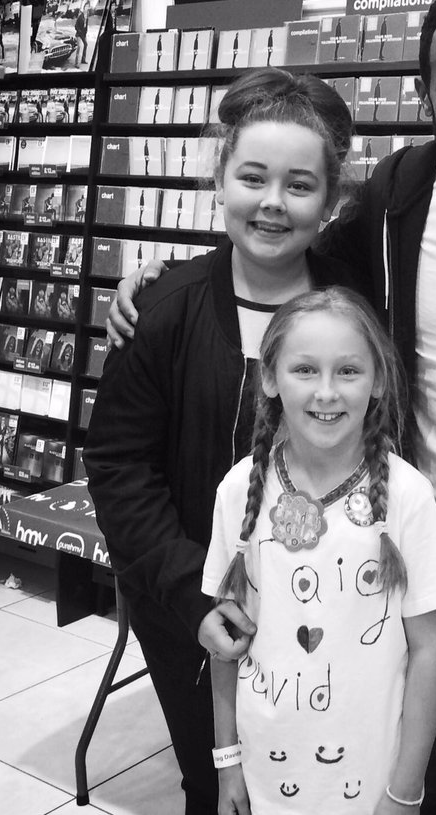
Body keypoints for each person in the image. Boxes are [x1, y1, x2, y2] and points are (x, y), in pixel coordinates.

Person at [106, 0, 436, 815]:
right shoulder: (188, 301)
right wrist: (155, 277)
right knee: (277, 785)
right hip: (279, 598)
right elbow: (121, 462)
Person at [84, 68, 359, 815]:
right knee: (216, 786)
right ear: (220, 179)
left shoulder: (356, 311)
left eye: (299, 185)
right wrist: (192, 595)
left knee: (320, 779)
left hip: (327, 608)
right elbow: (118, 465)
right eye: (253, 177)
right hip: (189, 612)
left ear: (330, 201)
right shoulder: (162, 310)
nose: (273, 202)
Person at [203, 287, 436, 813]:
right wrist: (227, 761)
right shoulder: (238, 491)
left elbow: (430, 651)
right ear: (270, 377)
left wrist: (405, 790)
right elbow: (225, 641)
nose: (326, 392)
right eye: (305, 370)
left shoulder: (407, 496)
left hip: (369, 783)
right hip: (265, 773)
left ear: (378, 381)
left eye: (348, 371)